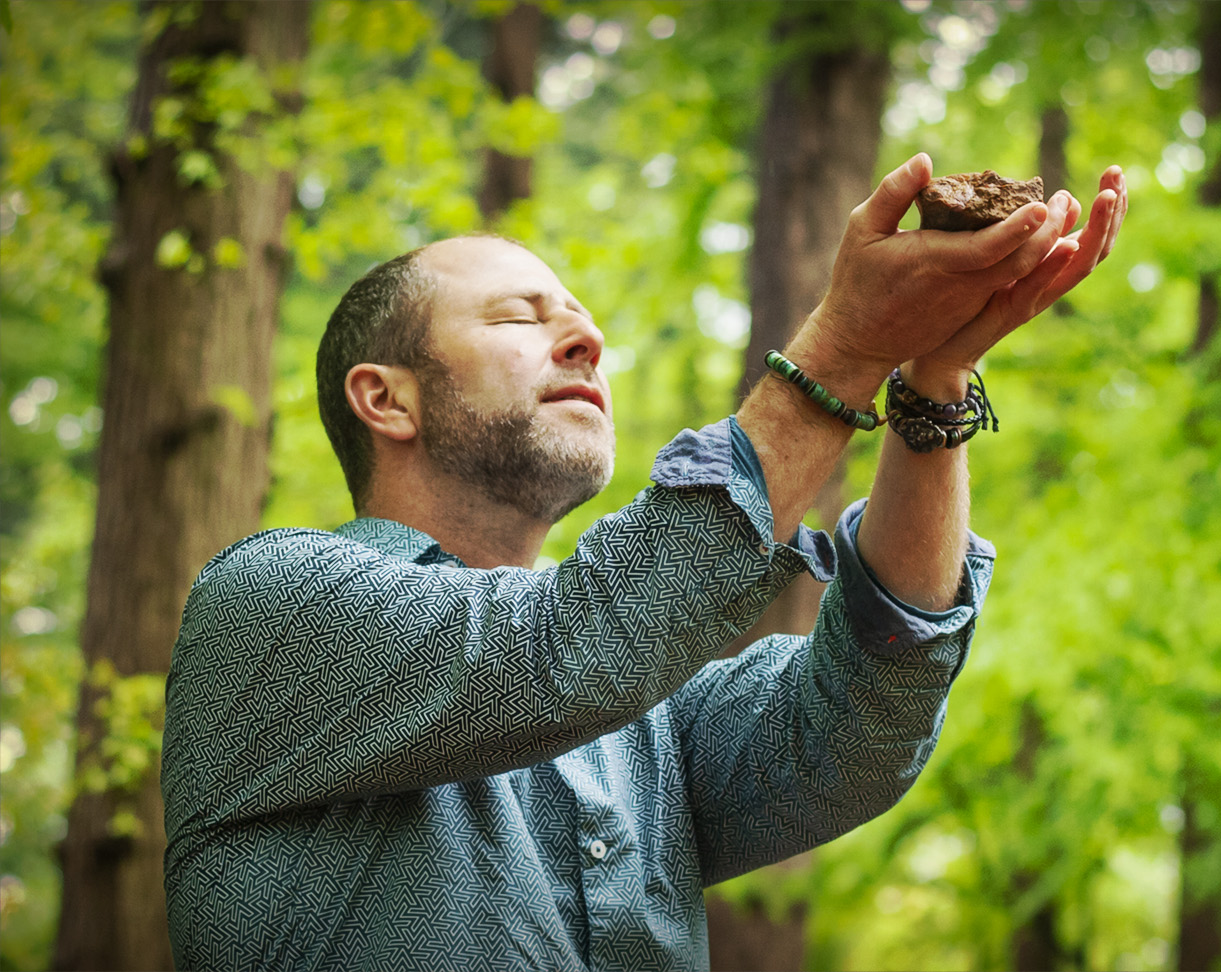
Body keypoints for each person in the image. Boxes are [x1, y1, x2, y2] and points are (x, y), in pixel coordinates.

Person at [161, 154, 1126, 970]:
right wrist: (848, 346)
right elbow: (577, 645)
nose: (587, 339)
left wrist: (932, 383)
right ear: (386, 400)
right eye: (515, 319)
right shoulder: (270, 604)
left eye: (578, 320)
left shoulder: (647, 715)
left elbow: (858, 728)